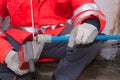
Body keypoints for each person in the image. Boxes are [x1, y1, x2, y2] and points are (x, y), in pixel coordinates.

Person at [0, 0, 106, 80]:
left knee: (92, 41)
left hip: (56, 37)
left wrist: (90, 22)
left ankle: (62, 77)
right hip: (21, 40)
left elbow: (84, 5)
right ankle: (24, 76)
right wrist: (6, 54)